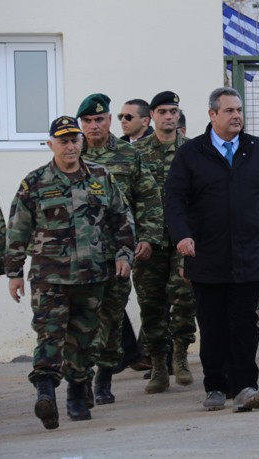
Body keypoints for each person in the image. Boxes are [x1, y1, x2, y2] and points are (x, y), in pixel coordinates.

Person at [165, 87, 259, 412]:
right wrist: (181, 235)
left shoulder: (258, 150)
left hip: (249, 253)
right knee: (212, 324)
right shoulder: (191, 153)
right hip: (206, 255)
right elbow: (175, 199)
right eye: (229, 111)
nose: (236, 116)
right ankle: (216, 386)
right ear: (212, 115)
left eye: (239, 110)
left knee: (245, 323)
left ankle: (246, 385)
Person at [5, 116, 135, 429]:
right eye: (63, 141)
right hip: (49, 278)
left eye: (74, 139)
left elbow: (121, 218)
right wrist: (14, 273)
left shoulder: (100, 177)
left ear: (81, 142)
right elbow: (18, 229)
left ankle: (77, 393)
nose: (70, 146)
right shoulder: (35, 182)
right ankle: (46, 391)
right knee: (50, 335)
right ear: (51, 144)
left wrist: (124, 254)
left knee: (84, 339)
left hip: (92, 276)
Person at [77, 93, 163, 404]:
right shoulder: (72, 155)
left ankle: (104, 377)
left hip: (119, 252)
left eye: (99, 119)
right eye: (87, 121)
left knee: (111, 317)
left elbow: (149, 199)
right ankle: (82, 379)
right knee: (83, 319)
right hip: (80, 256)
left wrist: (148, 237)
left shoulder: (128, 156)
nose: (93, 126)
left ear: (110, 120)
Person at [132, 91, 198, 391]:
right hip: (149, 243)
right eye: (162, 112)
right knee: (151, 306)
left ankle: (181, 357)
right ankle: (158, 364)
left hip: (183, 241)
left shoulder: (193, 150)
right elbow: (128, 198)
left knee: (184, 301)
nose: (168, 117)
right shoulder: (137, 152)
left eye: (173, 111)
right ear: (152, 117)